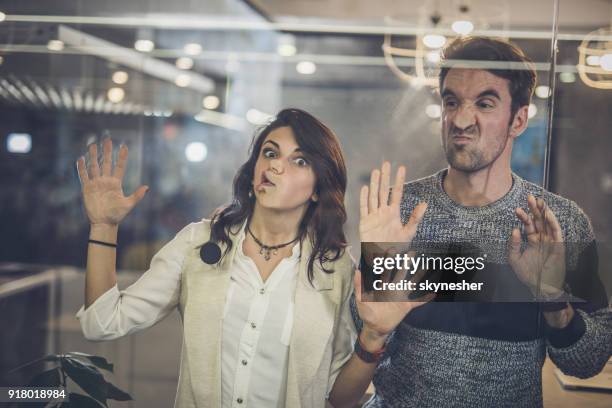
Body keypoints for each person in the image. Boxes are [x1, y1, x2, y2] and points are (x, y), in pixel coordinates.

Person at [75, 108, 427, 408]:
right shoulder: (199, 243)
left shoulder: (335, 270)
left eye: (299, 160)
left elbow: (339, 399)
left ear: (318, 188)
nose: (275, 167)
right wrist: (103, 226)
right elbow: (102, 323)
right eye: (270, 153)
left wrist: (374, 337)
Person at [350, 37, 612, 407]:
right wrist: (377, 272)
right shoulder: (399, 211)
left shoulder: (560, 223)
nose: (460, 120)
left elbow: (587, 362)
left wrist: (553, 300)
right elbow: (357, 343)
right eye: (451, 101)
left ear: (518, 120)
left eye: (484, 104)